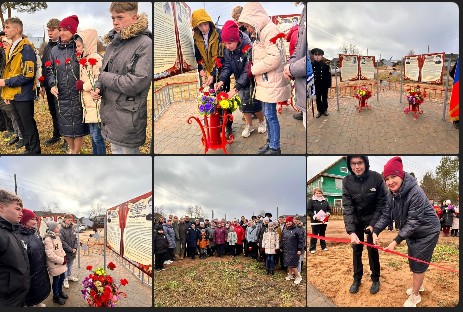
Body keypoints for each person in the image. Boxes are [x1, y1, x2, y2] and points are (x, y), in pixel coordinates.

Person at [373, 156, 441, 307]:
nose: (390, 181)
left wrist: (395, 241)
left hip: (427, 231)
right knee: (414, 259)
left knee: (418, 262)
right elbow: (386, 215)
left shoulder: (416, 192)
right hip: (414, 232)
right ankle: (419, 285)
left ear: (401, 175)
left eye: (393, 176)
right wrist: (376, 230)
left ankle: (415, 295)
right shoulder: (392, 195)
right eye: (387, 178)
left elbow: (414, 221)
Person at [92, 2, 152, 154]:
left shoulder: (145, 44)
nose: (115, 22)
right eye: (113, 18)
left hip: (128, 117)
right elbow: (104, 69)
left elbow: (136, 83)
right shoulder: (114, 42)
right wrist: (98, 86)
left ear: (134, 18)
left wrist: (103, 77)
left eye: (119, 17)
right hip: (111, 114)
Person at [239, 2, 291, 154]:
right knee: (268, 115)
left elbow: (275, 58)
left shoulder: (269, 30)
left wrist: (253, 69)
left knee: (270, 115)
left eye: (248, 25)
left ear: (254, 18)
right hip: (267, 80)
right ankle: (270, 142)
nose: (248, 29)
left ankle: (275, 147)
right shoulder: (263, 30)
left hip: (271, 80)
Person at [342, 155, 387, 294]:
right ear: (350, 165)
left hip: (372, 220)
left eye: (360, 163)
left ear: (366, 163)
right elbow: (347, 207)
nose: (357, 167)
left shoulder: (376, 178)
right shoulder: (347, 181)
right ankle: (357, 279)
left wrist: (373, 225)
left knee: (372, 250)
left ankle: (375, 278)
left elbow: (381, 205)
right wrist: (351, 232)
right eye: (353, 163)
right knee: (356, 250)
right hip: (356, 221)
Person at [214, 20, 266, 138]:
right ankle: (249, 125)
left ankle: (262, 121)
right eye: (225, 44)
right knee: (243, 105)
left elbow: (247, 69)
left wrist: (235, 88)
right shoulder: (228, 50)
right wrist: (221, 80)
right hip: (239, 81)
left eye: (230, 43)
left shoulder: (248, 46)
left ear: (236, 39)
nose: (227, 46)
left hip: (251, 80)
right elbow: (227, 66)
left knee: (254, 104)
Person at [46, 15, 89, 154]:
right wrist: (52, 84)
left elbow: (86, 67)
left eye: (66, 29)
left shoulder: (78, 48)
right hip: (61, 94)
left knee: (77, 126)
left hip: (77, 94)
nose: (62, 32)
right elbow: (49, 69)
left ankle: (75, 151)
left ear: (73, 32)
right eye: (61, 29)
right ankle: (71, 148)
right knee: (64, 126)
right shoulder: (54, 51)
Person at [0, 17, 41, 154]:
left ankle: (34, 151)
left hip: (23, 94)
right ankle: (29, 149)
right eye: (4, 27)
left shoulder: (26, 48)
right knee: (22, 126)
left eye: (7, 27)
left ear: (17, 29)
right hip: (14, 94)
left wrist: (6, 83)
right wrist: (7, 92)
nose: (4, 30)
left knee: (28, 125)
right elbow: (10, 71)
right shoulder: (12, 47)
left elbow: (28, 75)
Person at [75, 29, 106, 154]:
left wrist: (84, 86)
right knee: (93, 135)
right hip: (89, 104)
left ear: (86, 45)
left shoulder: (96, 58)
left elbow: (100, 78)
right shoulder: (85, 59)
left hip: (95, 103)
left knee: (98, 137)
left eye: (78, 46)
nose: (76, 49)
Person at [0, 189, 30, 306]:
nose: (21, 213)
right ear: (1, 207)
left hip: (18, 296)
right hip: (7, 300)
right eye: (17, 209)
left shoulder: (12, 230)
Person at [19, 209, 51, 307]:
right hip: (29, 274)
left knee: (39, 290)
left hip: (40, 270)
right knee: (31, 295)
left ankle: (38, 302)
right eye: (32, 219)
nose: (35, 222)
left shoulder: (35, 234)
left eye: (35, 219)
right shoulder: (19, 237)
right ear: (24, 220)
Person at [40, 18, 62, 147]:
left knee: (63, 112)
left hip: (61, 85)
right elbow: (44, 66)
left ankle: (67, 138)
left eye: (53, 30)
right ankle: (56, 134)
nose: (50, 33)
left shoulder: (64, 45)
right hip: (49, 85)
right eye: (48, 30)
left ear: (59, 29)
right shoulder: (48, 46)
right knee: (53, 110)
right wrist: (43, 84)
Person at [285, 3, 306, 124]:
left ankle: (300, 108)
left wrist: (291, 67)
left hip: (297, 65)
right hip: (295, 62)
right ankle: (300, 108)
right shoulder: (304, 13)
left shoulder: (295, 28)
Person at [43, 221, 68, 305]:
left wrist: (64, 256)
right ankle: (56, 296)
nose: (59, 228)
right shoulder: (48, 239)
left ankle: (60, 292)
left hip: (61, 262)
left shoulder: (57, 237)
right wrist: (61, 260)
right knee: (56, 280)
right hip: (55, 264)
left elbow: (60, 249)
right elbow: (50, 254)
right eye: (57, 227)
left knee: (62, 278)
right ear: (53, 229)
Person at [307, 187, 331, 254]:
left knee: (322, 234)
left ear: (321, 194)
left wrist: (328, 213)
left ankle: (323, 247)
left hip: (324, 221)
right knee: (315, 234)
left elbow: (329, 209)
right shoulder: (311, 201)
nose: (318, 194)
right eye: (317, 193)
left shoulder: (325, 201)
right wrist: (314, 216)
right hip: (315, 221)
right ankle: (312, 248)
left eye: (319, 193)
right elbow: (308, 210)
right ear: (314, 194)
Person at [281, 216, 303, 284]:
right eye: (287, 222)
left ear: (292, 222)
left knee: (293, 265)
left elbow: (300, 240)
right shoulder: (285, 230)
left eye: (289, 222)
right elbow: (283, 240)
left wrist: (299, 249)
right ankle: (290, 275)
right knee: (288, 263)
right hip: (286, 249)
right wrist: (281, 247)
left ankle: (298, 276)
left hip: (294, 250)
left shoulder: (297, 230)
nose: (288, 223)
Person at [311, 48, 331, 118]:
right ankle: (319, 110)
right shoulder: (311, 65)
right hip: (316, 85)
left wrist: (329, 84)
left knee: (324, 97)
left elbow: (328, 75)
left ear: (321, 56)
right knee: (318, 98)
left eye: (319, 55)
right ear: (313, 56)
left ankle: (325, 110)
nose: (317, 56)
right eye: (315, 55)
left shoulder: (325, 65)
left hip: (324, 84)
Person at [59, 214, 78, 289]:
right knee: (65, 267)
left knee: (70, 266)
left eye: (71, 220)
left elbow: (76, 239)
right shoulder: (61, 229)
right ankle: (65, 279)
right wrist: (71, 249)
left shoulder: (72, 228)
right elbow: (62, 242)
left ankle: (69, 276)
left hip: (73, 252)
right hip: (66, 252)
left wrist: (75, 248)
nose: (70, 222)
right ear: (65, 220)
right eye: (69, 220)